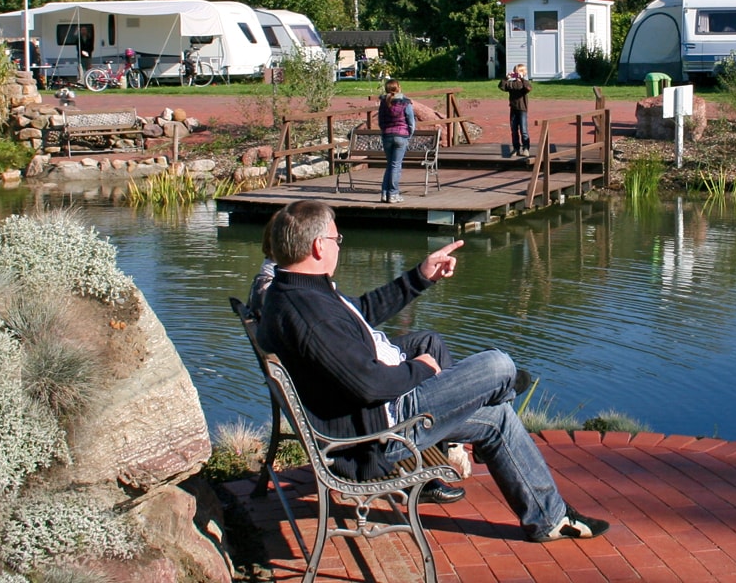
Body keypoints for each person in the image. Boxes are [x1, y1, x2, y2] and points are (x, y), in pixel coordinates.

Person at [257, 200, 609, 542]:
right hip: (377, 437)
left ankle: (549, 518)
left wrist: (418, 278)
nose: (339, 246)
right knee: (498, 365)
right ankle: (500, 387)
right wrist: (421, 369)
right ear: (319, 246)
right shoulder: (308, 312)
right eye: (337, 239)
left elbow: (360, 313)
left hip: (372, 417)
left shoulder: (296, 289)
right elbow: (369, 384)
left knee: (497, 415)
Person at [377, 79, 416, 203]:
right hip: (401, 135)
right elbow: (411, 122)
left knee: (390, 165)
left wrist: (385, 131)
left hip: (387, 135)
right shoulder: (405, 103)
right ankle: (393, 194)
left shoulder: (384, 102)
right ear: (398, 87)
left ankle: (384, 193)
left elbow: (380, 121)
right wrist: (409, 134)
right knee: (395, 166)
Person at [498, 63, 532, 157]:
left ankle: (526, 148)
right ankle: (516, 148)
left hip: (522, 110)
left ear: (524, 73)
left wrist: (521, 79)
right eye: (516, 72)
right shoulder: (512, 84)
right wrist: (506, 78)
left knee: (524, 130)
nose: (517, 74)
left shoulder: (525, 83)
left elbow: (529, 88)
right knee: (514, 130)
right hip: (513, 109)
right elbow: (501, 87)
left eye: (520, 72)